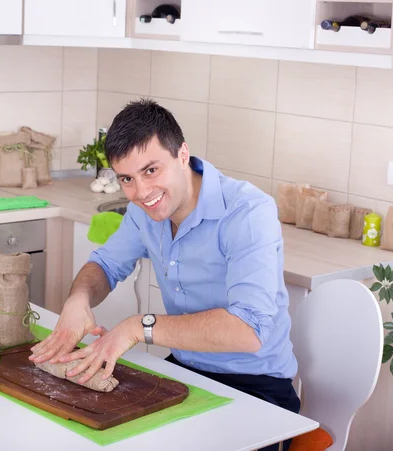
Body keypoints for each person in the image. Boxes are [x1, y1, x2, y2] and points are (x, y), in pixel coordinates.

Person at [30, 99, 300, 451]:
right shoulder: (143, 210)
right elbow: (106, 265)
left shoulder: (248, 212)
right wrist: (78, 299)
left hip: (256, 387)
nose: (141, 192)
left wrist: (135, 327)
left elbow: (249, 331)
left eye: (151, 170)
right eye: (127, 178)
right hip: (186, 373)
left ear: (183, 155)